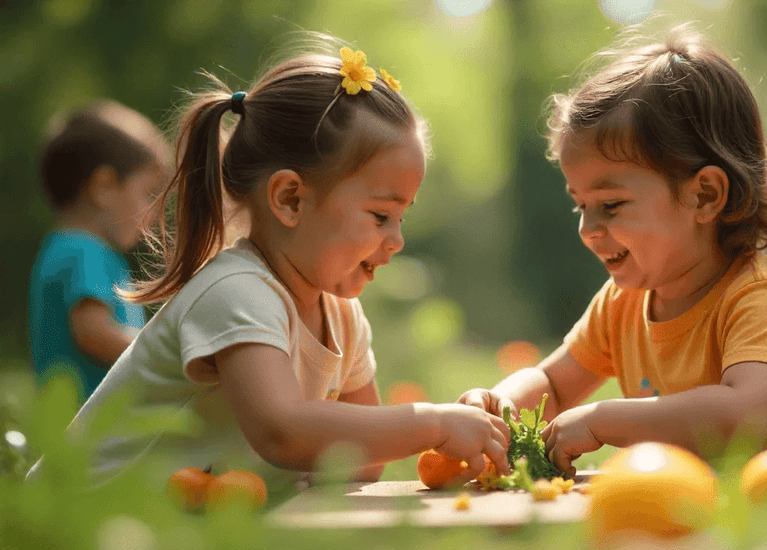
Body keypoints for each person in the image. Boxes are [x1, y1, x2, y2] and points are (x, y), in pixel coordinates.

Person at [33, 39, 510, 496]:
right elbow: (281, 432)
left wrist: (449, 435)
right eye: (381, 216)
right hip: (69, 530)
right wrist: (432, 422)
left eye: (402, 217)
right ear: (290, 199)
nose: (397, 240)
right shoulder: (237, 291)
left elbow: (358, 462)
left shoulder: (341, 315)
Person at [459, 23, 767, 477]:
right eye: (580, 205)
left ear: (704, 196)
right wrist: (500, 402)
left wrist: (606, 420)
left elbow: (743, 416)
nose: (587, 229)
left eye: (611, 205)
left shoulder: (760, 298)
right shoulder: (622, 304)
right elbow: (554, 386)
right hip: (690, 508)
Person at [29, 100, 169, 405]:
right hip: (87, 441)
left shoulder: (70, 248)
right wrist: (166, 356)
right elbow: (93, 332)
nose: (155, 211)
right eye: (148, 193)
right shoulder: (82, 250)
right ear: (104, 187)